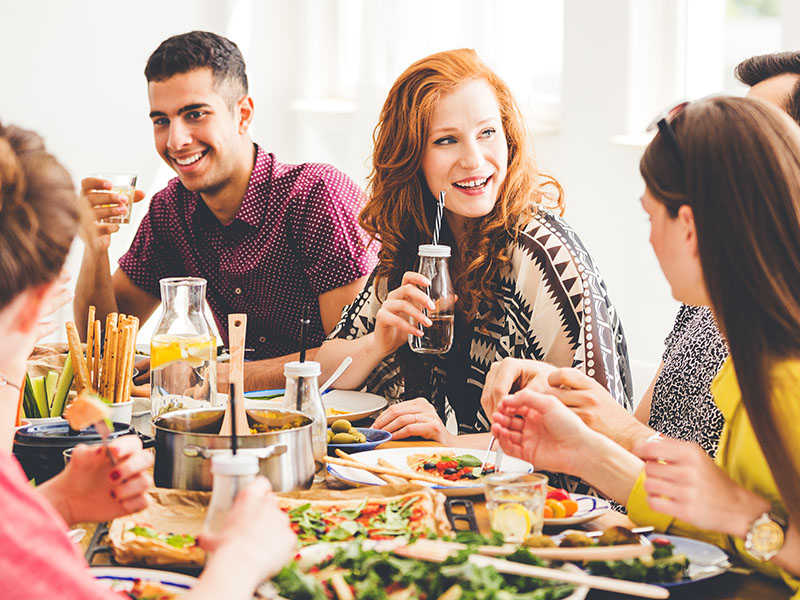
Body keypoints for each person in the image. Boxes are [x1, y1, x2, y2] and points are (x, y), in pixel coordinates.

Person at [491, 96, 800, 592]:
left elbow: (743, 523)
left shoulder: (787, 378)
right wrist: (584, 452)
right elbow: (724, 525)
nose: (651, 240)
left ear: (690, 228)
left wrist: (743, 513)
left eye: (650, 217)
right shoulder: (749, 356)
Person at [0, 121, 295, 599]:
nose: (178, 139)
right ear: (37, 303)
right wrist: (240, 562)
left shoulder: (309, 190)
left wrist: (59, 501)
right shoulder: (169, 212)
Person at [316, 49, 631, 475]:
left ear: (509, 138)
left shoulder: (542, 252)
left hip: (553, 505)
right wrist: (377, 343)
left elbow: (591, 427)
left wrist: (450, 444)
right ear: (412, 157)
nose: (474, 159)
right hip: (462, 487)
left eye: (487, 133)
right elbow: (323, 376)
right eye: (447, 140)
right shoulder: (417, 245)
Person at [482, 50, 800, 458]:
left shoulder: (779, 338)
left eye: (761, 133)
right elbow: (641, 434)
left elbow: (737, 508)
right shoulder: (710, 293)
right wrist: (568, 396)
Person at [74, 30, 378, 390]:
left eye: (195, 114)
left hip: (344, 421)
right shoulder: (170, 210)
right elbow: (106, 347)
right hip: (236, 419)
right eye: (161, 120)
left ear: (243, 114)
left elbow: (352, 358)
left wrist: (214, 375)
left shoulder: (315, 195)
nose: (175, 140)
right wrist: (95, 247)